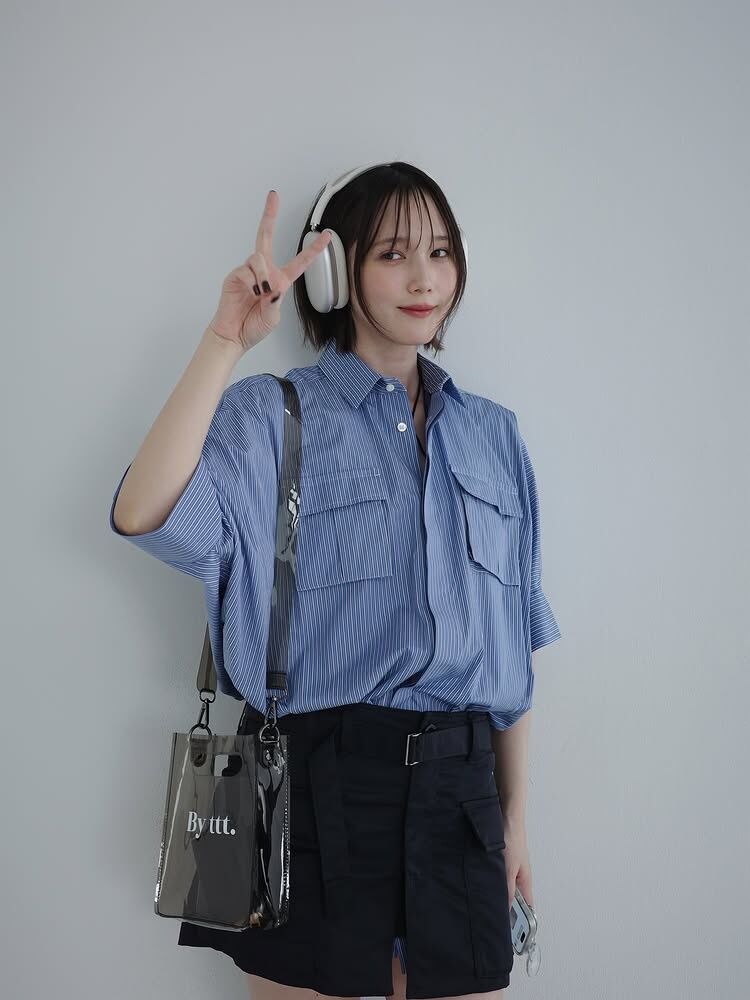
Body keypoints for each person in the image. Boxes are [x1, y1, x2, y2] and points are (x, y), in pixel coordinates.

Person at [109, 162, 562, 1000]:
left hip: (462, 798)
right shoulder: (272, 416)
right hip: (317, 789)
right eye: (392, 253)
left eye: (440, 251)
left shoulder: (494, 436)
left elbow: (515, 657)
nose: (424, 278)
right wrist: (225, 341)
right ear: (334, 274)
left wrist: (516, 821)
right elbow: (144, 511)